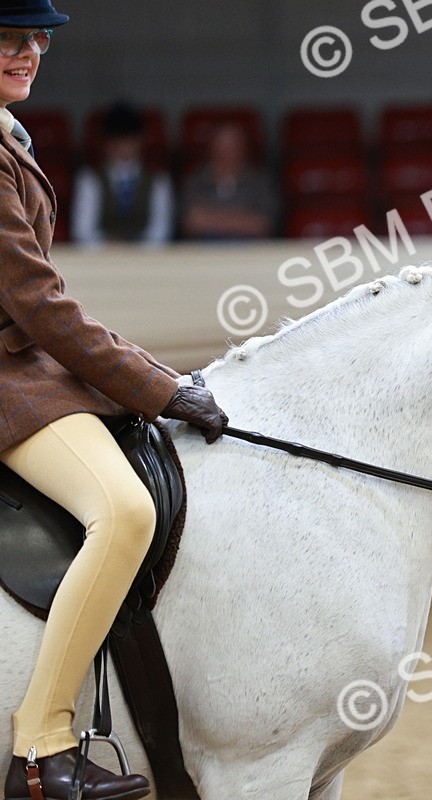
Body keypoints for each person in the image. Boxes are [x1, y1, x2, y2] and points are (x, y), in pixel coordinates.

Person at [0, 3, 228, 798]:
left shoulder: (9, 136)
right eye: (9, 38)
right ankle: (41, 745)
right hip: (5, 379)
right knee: (126, 512)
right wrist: (160, 388)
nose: (29, 53)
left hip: (22, 364)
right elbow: (40, 308)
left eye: (38, 39)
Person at [71, 102, 173, 246]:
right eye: (117, 140)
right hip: (100, 261)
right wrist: (109, 246)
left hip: (147, 261)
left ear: (140, 141)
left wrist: (135, 250)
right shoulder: (89, 179)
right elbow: (83, 232)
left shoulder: (158, 180)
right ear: (106, 143)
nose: (123, 146)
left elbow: (160, 231)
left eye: (129, 140)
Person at [180, 122, 278, 240]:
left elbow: (263, 225)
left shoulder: (260, 183)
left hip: (249, 253)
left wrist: (210, 218)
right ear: (212, 147)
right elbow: (191, 222)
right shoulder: (195, 181)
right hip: (203, 253)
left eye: (233, 145)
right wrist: (242, 219)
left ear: (244, 148)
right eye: (222, 145)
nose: (227, 152)